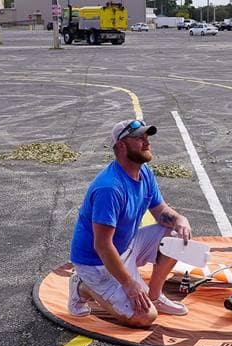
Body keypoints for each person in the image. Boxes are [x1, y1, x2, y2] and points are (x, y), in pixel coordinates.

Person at [67, 119, 192, 328]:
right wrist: (129, 284)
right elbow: (102, 246)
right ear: (121, 146)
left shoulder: (144, 172)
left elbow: (161, 211)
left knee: (178, 234)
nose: (147, 142)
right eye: (139, 138)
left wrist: (179, 219)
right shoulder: (109, 188)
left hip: (127, 246)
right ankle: (82, 285)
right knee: (144, 317)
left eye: (147, 137)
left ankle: (154, 295)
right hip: (97, 264)